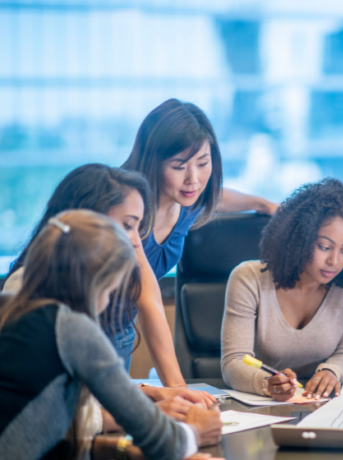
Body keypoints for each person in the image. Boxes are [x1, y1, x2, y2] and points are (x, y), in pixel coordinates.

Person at [2, 164, 217, 430]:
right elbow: (47, 413)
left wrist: (151, 392)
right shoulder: (28, 291)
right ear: (87, 221)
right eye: (128, 226)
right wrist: (147, 417)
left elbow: (82, 389)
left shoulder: (90, 287)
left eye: (139, 228)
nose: (137, 243)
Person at [114, 98, 277, 378]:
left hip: (120, 330)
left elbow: (217, 198)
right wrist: (177, 390)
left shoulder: (187, 202)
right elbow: (148, 301)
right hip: (81, 327)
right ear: (152, 162)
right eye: (179, 167)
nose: (194, 179)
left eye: (203, 163)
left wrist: (262, 204)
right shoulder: (126, 208)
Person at [221, 179, 343, 401]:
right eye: (324, 247)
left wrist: (331, 372)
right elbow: (234, 361)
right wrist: (266, 383)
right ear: (299, 239)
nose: (334, 261)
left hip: (323, 402)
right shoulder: (249, 278)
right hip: (264, 402)